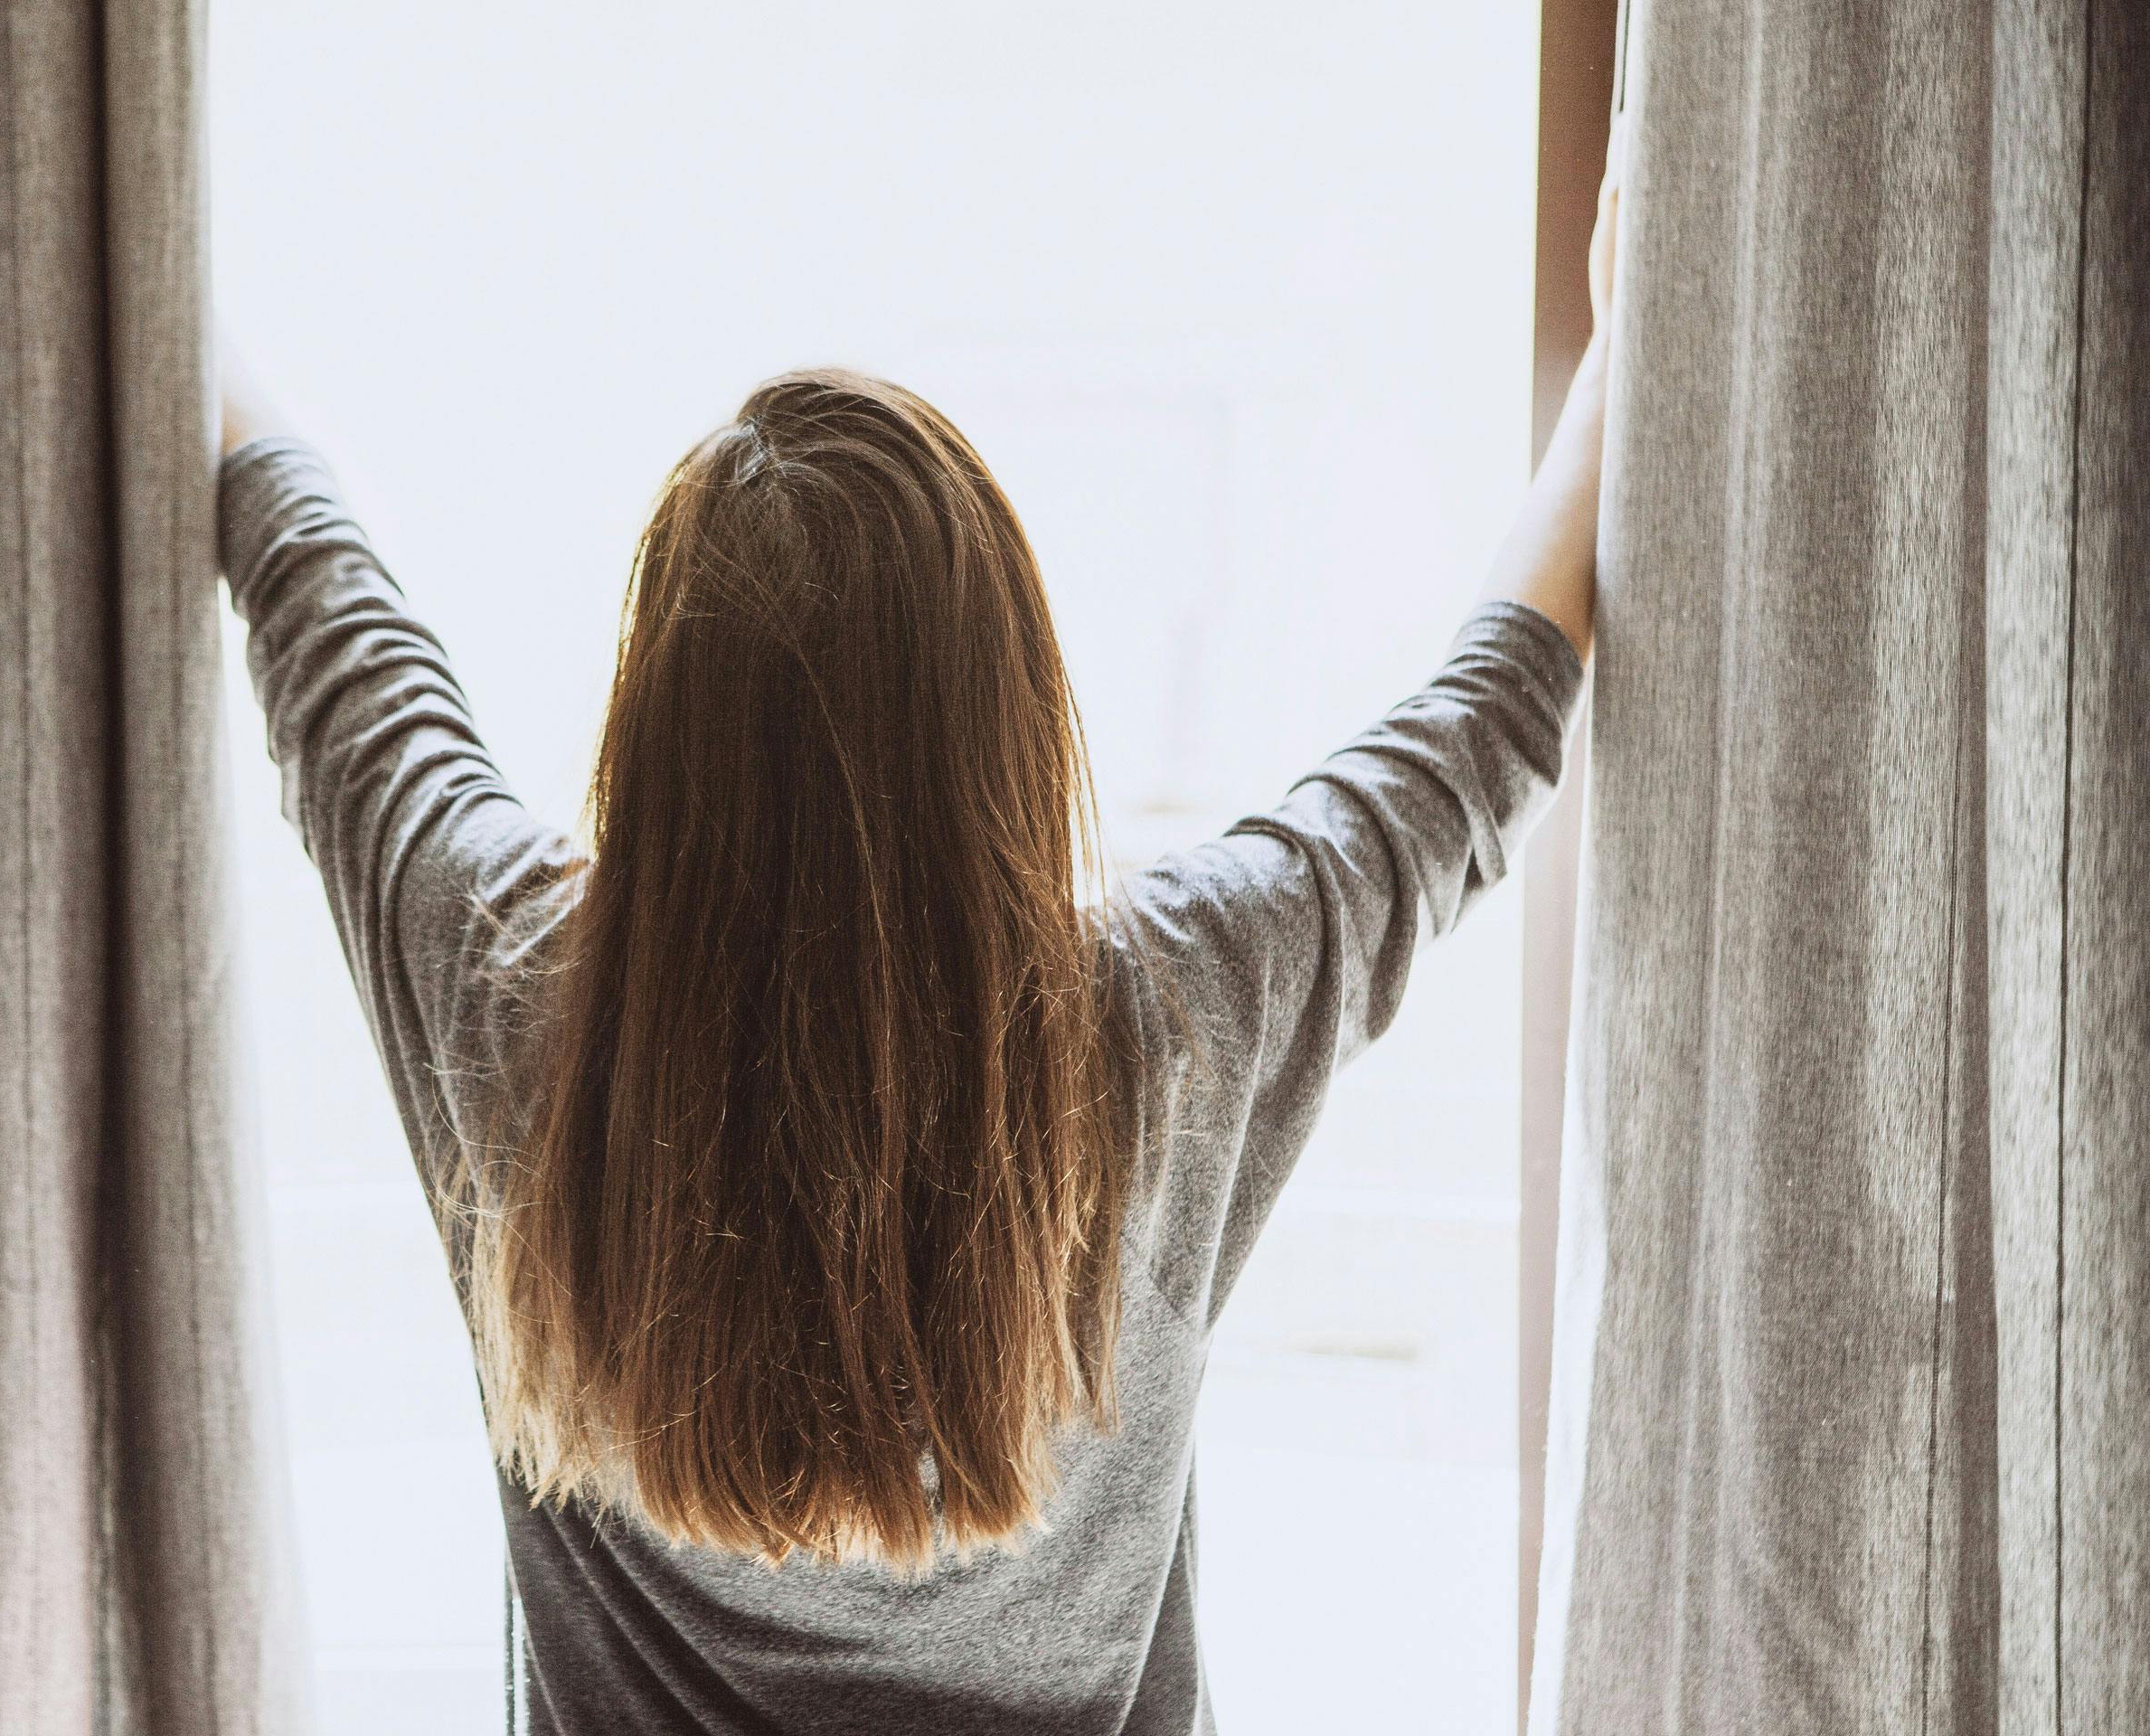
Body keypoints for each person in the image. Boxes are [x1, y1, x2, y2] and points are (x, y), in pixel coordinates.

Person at [215, 146, 1619, 1736]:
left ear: (657, 742)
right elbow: (1474, 739)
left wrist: (149, 273)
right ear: (1009, 728)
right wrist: (1619, 354)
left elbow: (320, 605)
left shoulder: (516, 999)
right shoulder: (1166, 1020)